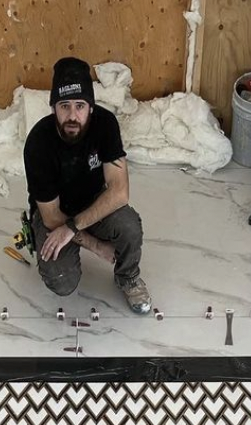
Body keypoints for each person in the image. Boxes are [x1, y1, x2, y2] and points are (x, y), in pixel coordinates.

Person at [23, 58, 152, 314]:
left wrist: (73, 228)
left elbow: (119, 192)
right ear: (53, 109)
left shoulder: (105, 125)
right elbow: (51, 217)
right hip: (54, 214)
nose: (72, 116)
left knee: (129, 226)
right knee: (62, 282)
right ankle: (41, 241)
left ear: (91, 108)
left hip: (93, 203)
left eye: (80, 106)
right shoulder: (38, 143)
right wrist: (96, 245)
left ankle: (127, 277)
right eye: (64, 106)